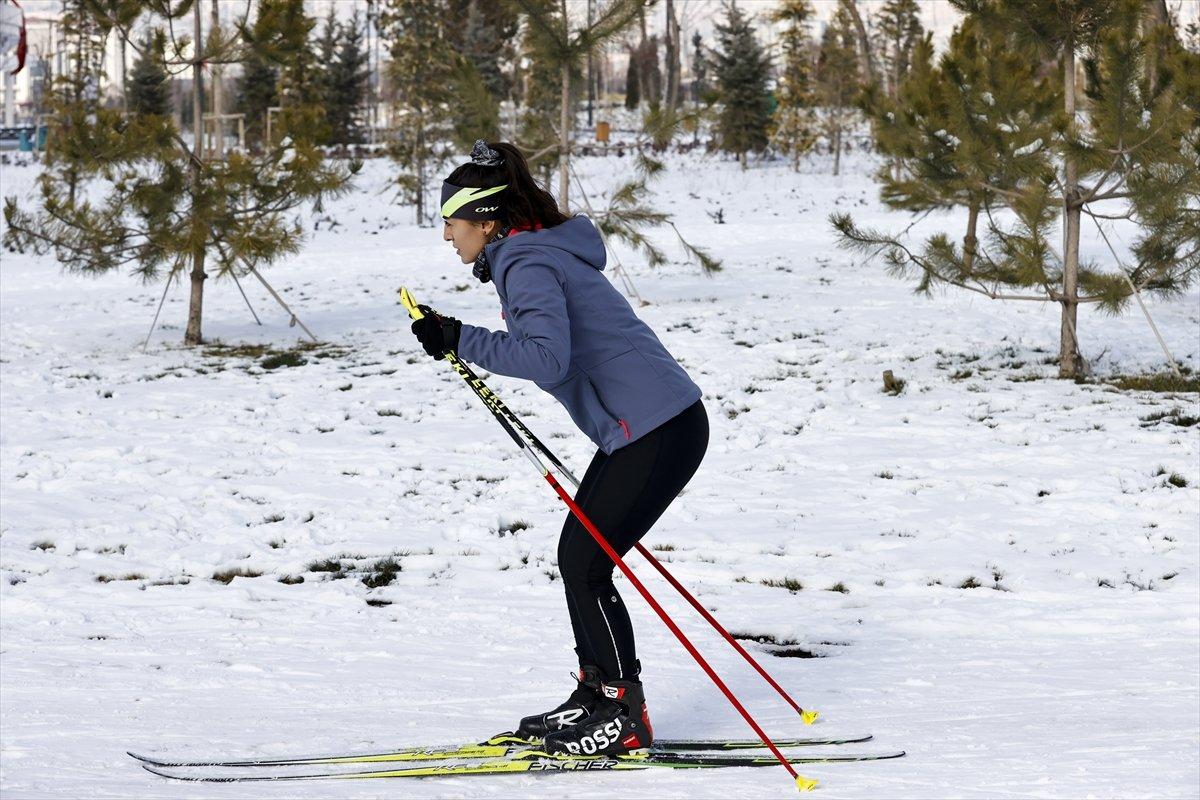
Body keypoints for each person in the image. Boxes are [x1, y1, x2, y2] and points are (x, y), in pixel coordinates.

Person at [411, 140, 709, 757]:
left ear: (484, 221)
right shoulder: (531, 253)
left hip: (658, 428)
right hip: (644, 426)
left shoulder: (525, 260)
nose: (446, 235)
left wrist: (460, 338)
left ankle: (621, 712)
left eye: (451, 220)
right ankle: (597, 695)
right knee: (579, 557)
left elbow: (546, 357)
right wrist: (456, 335)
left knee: (585, 563)